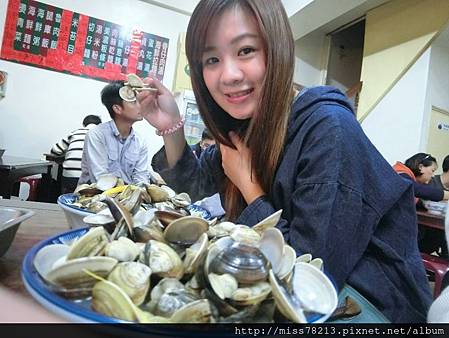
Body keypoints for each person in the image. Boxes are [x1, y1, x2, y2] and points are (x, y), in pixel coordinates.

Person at [138, 0, 431, 322]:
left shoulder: (328, 127)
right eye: (211, 59)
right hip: (283, 285)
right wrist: (171, 126)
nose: (230, 74)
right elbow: (194, 184)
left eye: (246, 50)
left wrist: (249, 186)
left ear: (276, 49)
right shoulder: (243, 129)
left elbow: (311, 268)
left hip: (364, 303)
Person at [78, 81, 149, 185]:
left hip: (126, 198)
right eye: (134, 102)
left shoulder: (140, 141)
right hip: (94, 196)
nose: (141, 106)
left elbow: (141, 177)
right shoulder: (96, 135)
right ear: (117, 109)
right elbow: (100, 179)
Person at [394, 153, 449, 258]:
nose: (433, 175)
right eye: (432, 170)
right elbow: (418, 190)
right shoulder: (401, 174)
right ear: (420, 167)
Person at [50, 115, 101, 193]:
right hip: (89, 180)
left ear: (84, 125)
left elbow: (54, 151)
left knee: (67, 199)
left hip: (69, 177)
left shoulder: (75, 133)